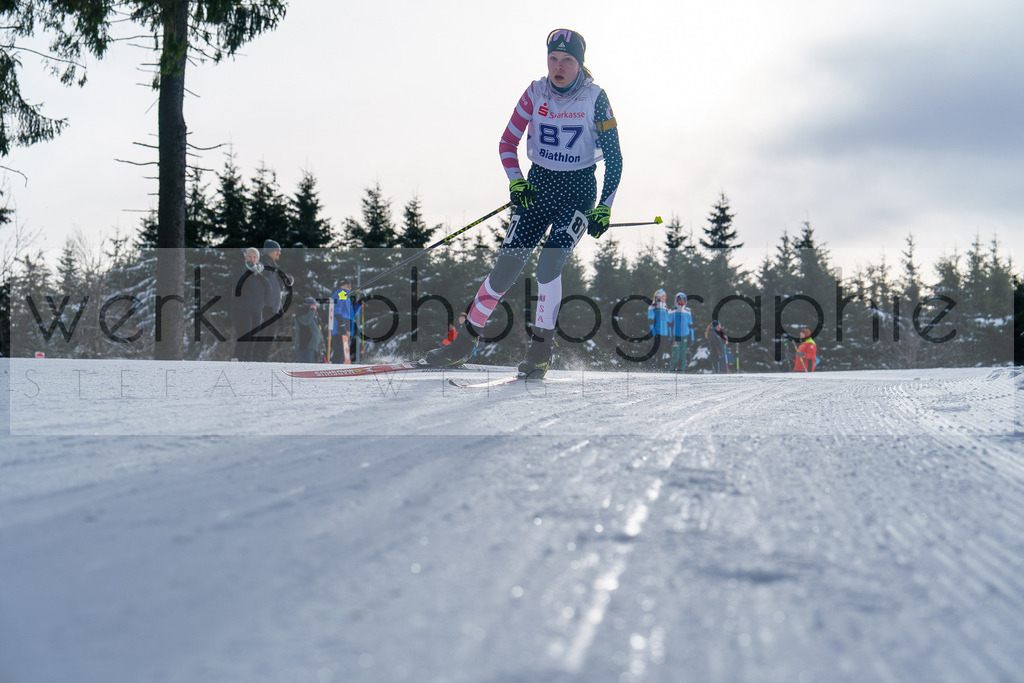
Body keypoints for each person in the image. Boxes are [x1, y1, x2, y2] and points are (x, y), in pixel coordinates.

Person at [421, 28, 622, 378]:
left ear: (580, 64)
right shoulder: (534, 92)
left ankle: (541, 350)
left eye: (567, 60)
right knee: (505, 269)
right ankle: (464, 343)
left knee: (548, 265)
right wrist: (516, 182)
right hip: (539, 185)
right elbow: (506, 143)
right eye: (552, 59)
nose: (558, 67)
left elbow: (616, 158)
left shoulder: (596, 98)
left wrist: (604, 206)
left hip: (577, 190)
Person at [255, 239, 294, 361]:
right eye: (277, 250)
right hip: (265, 308)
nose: (279, 253)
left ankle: (263, 361)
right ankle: (257, 361)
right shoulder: (263, 265)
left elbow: (276, 287)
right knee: (263, 338)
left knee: (269, 338)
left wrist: (287, 281)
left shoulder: (273, 267)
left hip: (273, 308)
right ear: (270, 251)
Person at [227, 247, 266, 362]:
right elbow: (237, 283)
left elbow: (268, 287)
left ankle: (248, 363)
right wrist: (244, 265)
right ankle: (237, 360)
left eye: (255, 257)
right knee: (245, 336)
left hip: (257, 309)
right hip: (242, 308)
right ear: (245, 256)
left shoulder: (259, 273)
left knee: (252, 339)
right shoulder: (241, 268)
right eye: (250, 256)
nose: (252, 259)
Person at [330, 281, 360, 364]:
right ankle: (336, 366)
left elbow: (352, 313)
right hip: (340, 327)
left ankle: (341, 365)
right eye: (348, 286)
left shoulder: (346, 297)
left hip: (347, 326)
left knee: (344, 351)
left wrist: (360, 303)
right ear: (342, 285)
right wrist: (341, 323)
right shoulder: (340, 293)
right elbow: (337, 309)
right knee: (339, 350)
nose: (350, 288)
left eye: (350, 286)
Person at [668, 292, 695, 373]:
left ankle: (681, 372)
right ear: (677, 300)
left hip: (685, 335)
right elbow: (669, 325)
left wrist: (692, 337)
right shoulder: (672, 310)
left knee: (683, 355)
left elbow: (691, 325)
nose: (682, 301)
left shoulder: (688, 311)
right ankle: (671, 371)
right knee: (676, 354)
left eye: (683, 300)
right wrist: (669, 336)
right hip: (676, 336)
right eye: (680, 300)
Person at [293, 297, 325, 363]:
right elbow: (307, 321)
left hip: (313, 348)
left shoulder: (312, 315)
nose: (315, 307)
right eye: (313, 306)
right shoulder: (301, 314)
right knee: (305, 368)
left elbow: (317, 331)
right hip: (304, 347)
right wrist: (312, 310)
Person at [647, 288, 670, 371]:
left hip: (664, 333)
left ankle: (659, 370)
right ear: (659, 297)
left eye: (665, 296)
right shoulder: (653, 306)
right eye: (664, 296)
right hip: (657, 333)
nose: (665, 298)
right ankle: (650, 369)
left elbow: (668, 322)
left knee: (661, 352)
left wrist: (669, 333)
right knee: (655, 352)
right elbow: (650, 321)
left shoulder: (665, 307)